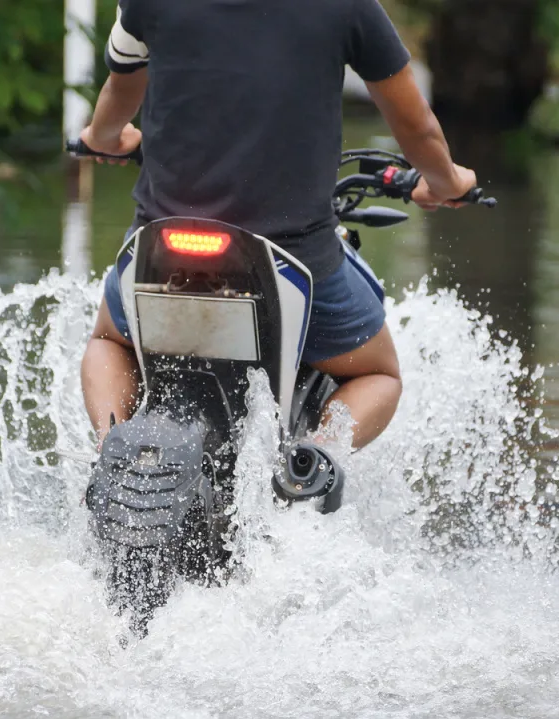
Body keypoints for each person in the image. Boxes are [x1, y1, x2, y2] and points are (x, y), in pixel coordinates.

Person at [79, 0, 476, 451]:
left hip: (162, 243)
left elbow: (121, 88)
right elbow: (416, 126)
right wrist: (447, 181)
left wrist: (103, 139)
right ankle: (313, 457)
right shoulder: (348, 7)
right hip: (292, 258)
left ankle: (112, 447)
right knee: (378, 372)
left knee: (110, 341)